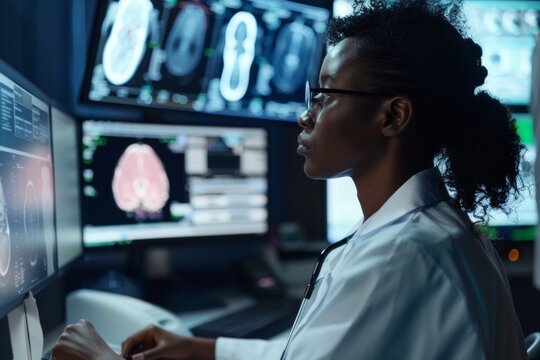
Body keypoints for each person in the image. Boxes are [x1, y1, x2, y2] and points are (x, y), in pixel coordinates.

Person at [52, 0, 527, 359]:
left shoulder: (402, 256)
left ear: (393, 115)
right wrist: (204, 349)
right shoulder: (432, 232)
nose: (305, 116)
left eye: (324, 95)